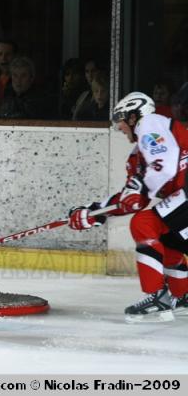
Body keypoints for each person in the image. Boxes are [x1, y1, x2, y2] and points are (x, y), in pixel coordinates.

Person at [68, 92, 188, 323]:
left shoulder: (150, 124)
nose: (119, 127)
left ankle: (157, 297)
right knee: (162, 236)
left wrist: (139, 189)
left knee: (143, 224)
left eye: (121, 119)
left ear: (134, 116)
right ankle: (182, 295)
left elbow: (165, 169)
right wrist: (92, 213)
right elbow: (131, 199)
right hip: (182, 197)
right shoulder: (139, 155)